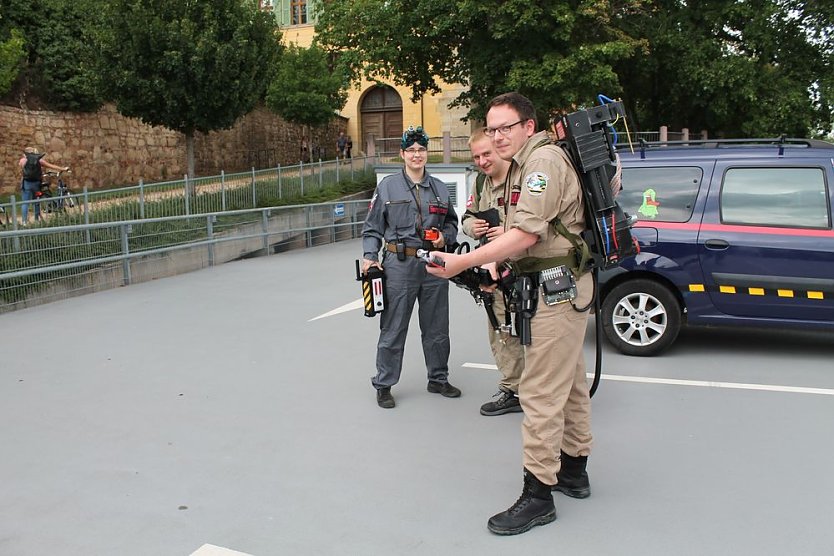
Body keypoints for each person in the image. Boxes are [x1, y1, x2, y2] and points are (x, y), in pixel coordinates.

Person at [426, 93, 593, 535]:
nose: (497, 136)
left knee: (538, 392)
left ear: (528, 126)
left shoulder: (541, 164)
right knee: (571, 382)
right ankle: (574, 471)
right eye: (491, 128)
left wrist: (463, 262)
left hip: (556, 289)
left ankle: (538, 495)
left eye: (505, 128)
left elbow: (525, 234)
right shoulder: (525, 164)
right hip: (557, 283)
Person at [360, 125, 461, 409]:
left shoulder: (440, 188)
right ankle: (384, 383)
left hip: (433, 264)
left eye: (422, 150)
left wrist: (445, 237)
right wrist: (370, 256)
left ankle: (438, 378)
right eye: (412, 151)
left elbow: (452, 223)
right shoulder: (388, 187)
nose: (417, 155)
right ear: (402, 154)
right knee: (393, 327)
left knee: (437, 326)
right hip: (399, 265)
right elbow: (372, 228)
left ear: (427, 153)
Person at [461, 129, 524, 416]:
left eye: (487, 153)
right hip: (494, 273)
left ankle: (535, 390)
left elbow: (541, 221)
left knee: (534, 333)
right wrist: (470, 227)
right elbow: (468, 217)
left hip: (525, 269)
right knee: (500, 330)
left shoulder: (524, 176)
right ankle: (513, 388)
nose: (483, 161)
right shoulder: (480, 183)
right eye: (477, 157)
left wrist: (509, 232)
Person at [18, 147, 68, 223]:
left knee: (25, 203)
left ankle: (24, 221)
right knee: (36, 201)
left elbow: (21, 170)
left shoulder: (22, 161)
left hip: (26, 184)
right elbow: (51, 166)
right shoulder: (39, 160)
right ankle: (37, 220)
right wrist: (63, 169)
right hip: (36, 184)